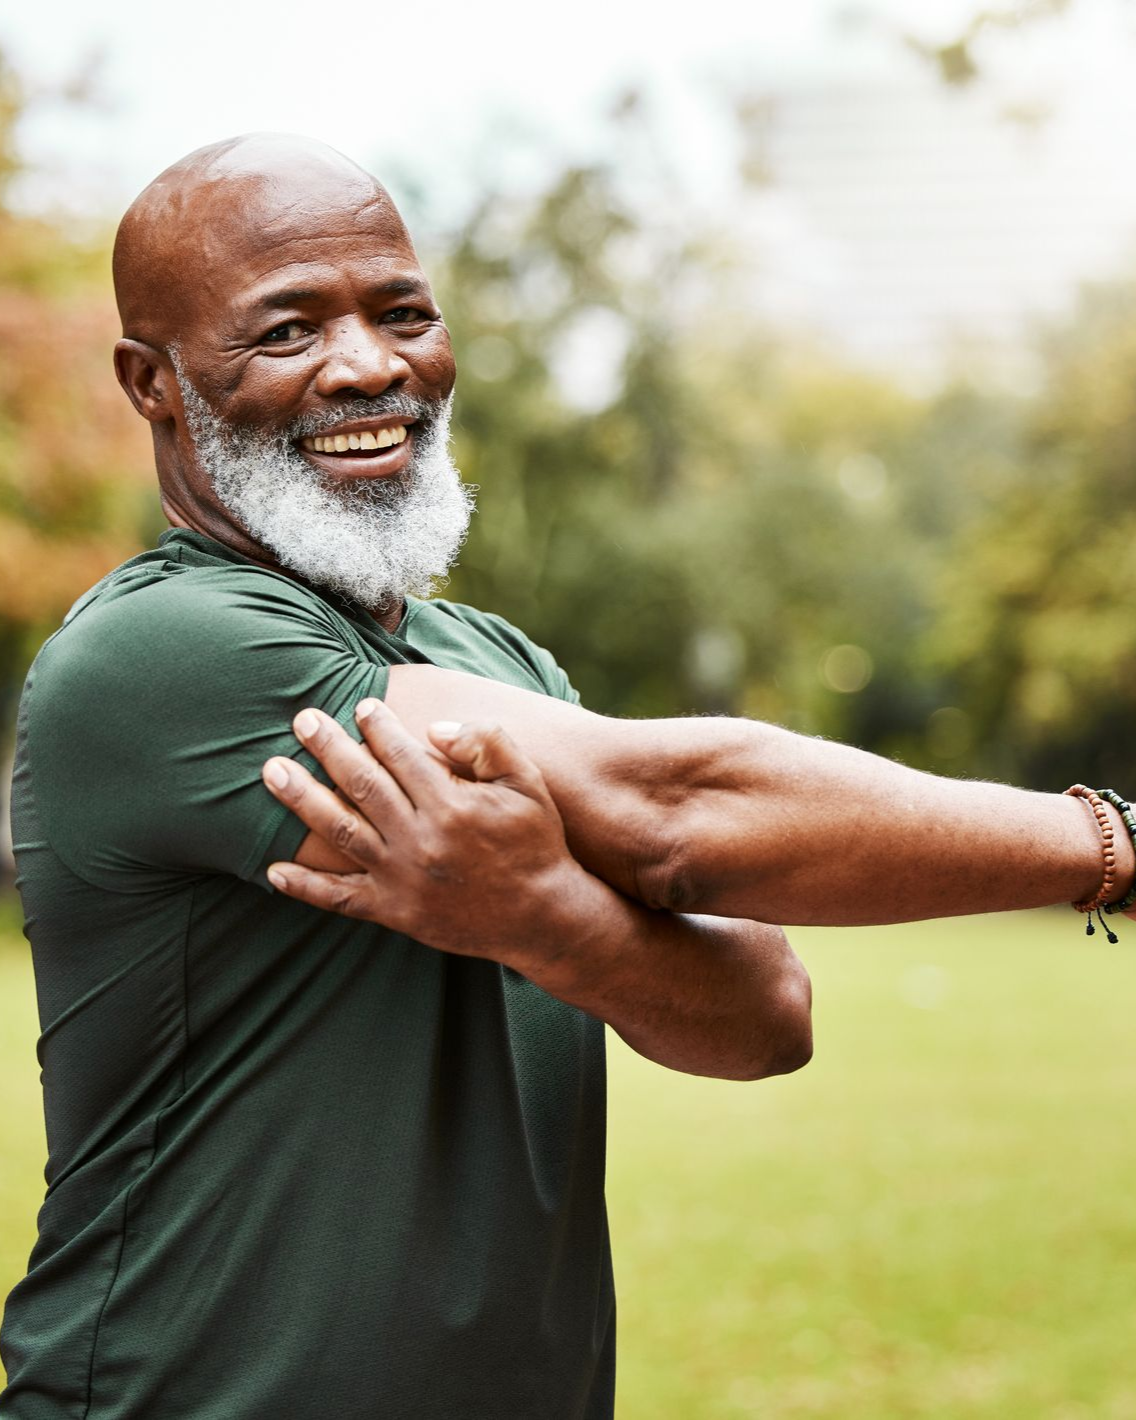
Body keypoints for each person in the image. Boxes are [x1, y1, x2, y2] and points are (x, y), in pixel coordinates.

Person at [0, 131, 1128, 1419]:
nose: (369, 366)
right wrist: (1112, 846)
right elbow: (677, 810)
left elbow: (767, 1015)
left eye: (402, 312)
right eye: (287, 331)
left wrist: (545, 915)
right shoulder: (162, 650)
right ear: (153, 382)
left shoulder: (493, 661)